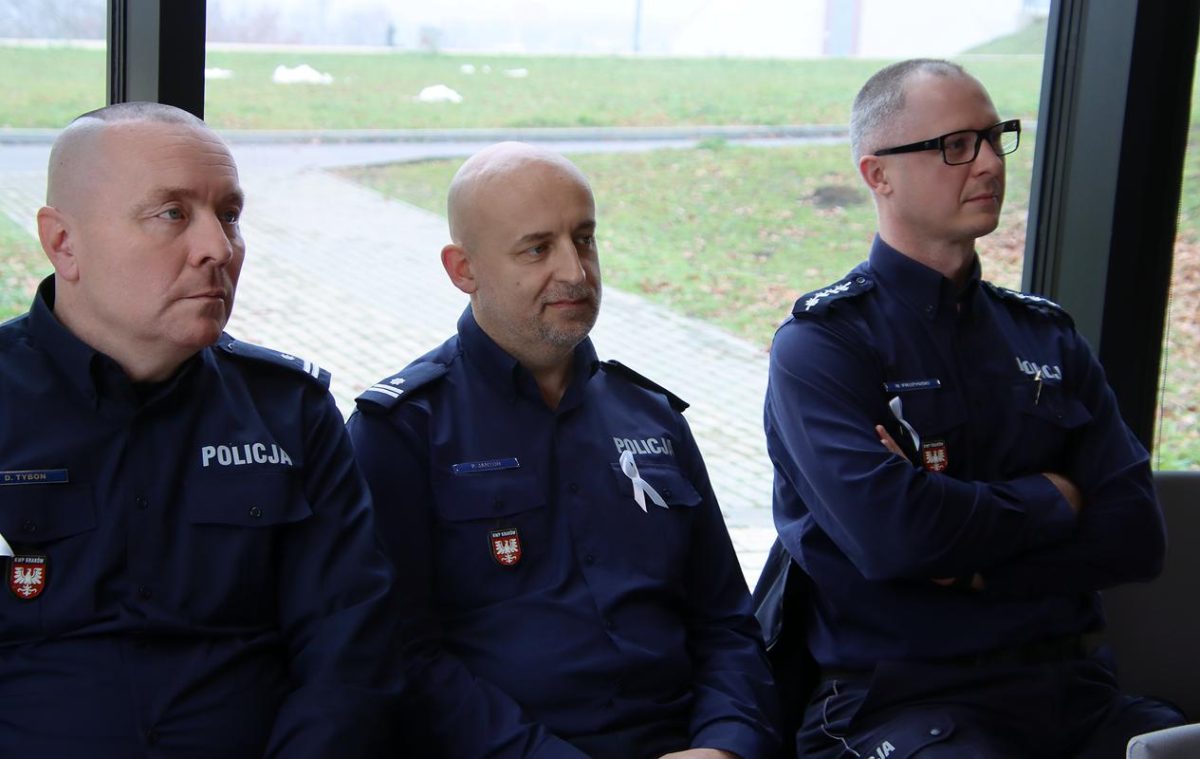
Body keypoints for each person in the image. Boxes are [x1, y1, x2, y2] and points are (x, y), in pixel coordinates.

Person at [762, 59, 1186, 758]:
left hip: (1071, 694)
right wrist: (1053, 498)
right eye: (956, 145)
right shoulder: (825, 346)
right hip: (899, 704)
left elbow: (1135, 534)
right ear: (878, 174)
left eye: (995, 137)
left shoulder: (1044, 336)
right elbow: (897, 537)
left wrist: (971, 565)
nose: (990, 163)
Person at [346, 142, 778, 759]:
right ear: (463, 269)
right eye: (537, 248)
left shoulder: (651, 417)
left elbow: (726, 621)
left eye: (585, 239)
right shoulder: (402, 431)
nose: (575, 272)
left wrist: (726, 742)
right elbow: (403, 657)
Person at [0, 102, 400, 756]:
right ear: (64, 242)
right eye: (172, 213)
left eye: (230, 215)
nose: (218, 248)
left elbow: (349, 655)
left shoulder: (289, 413)